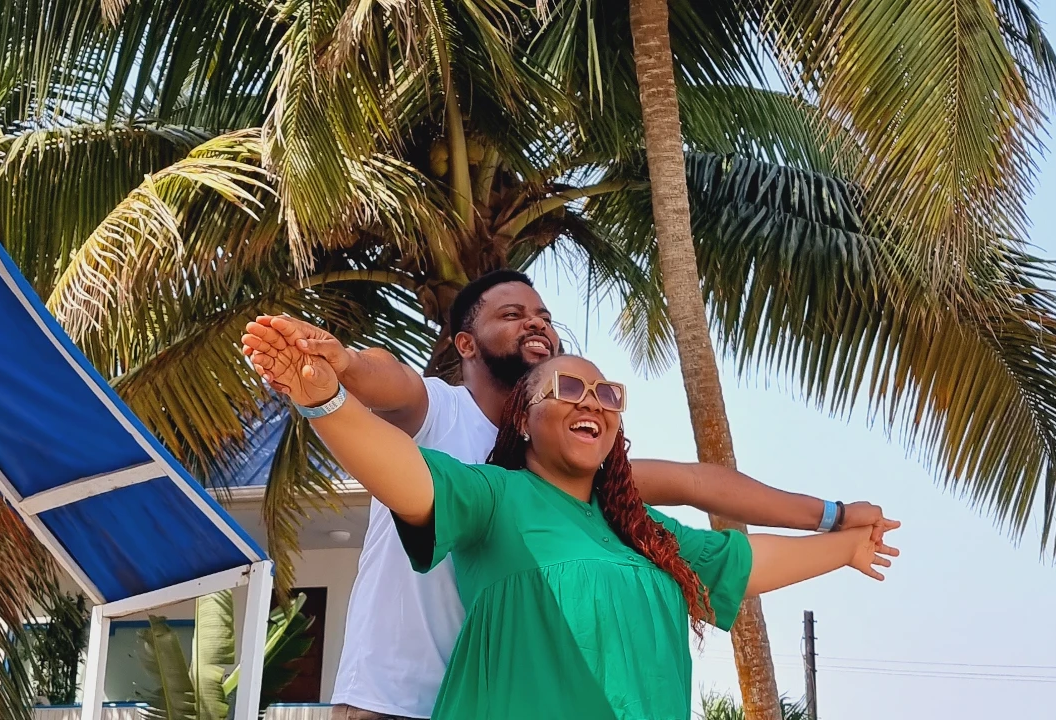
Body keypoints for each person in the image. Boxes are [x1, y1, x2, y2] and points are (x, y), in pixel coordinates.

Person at [242, 270, 898, 719]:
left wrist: (839, 526)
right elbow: (394, 409)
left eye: (544, 317)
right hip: (395, 696)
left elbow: (704, 490)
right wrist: (338, 380)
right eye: (512, 314)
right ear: (466, 344)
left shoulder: (591, 491)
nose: (536, 323)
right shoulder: (445, 420)